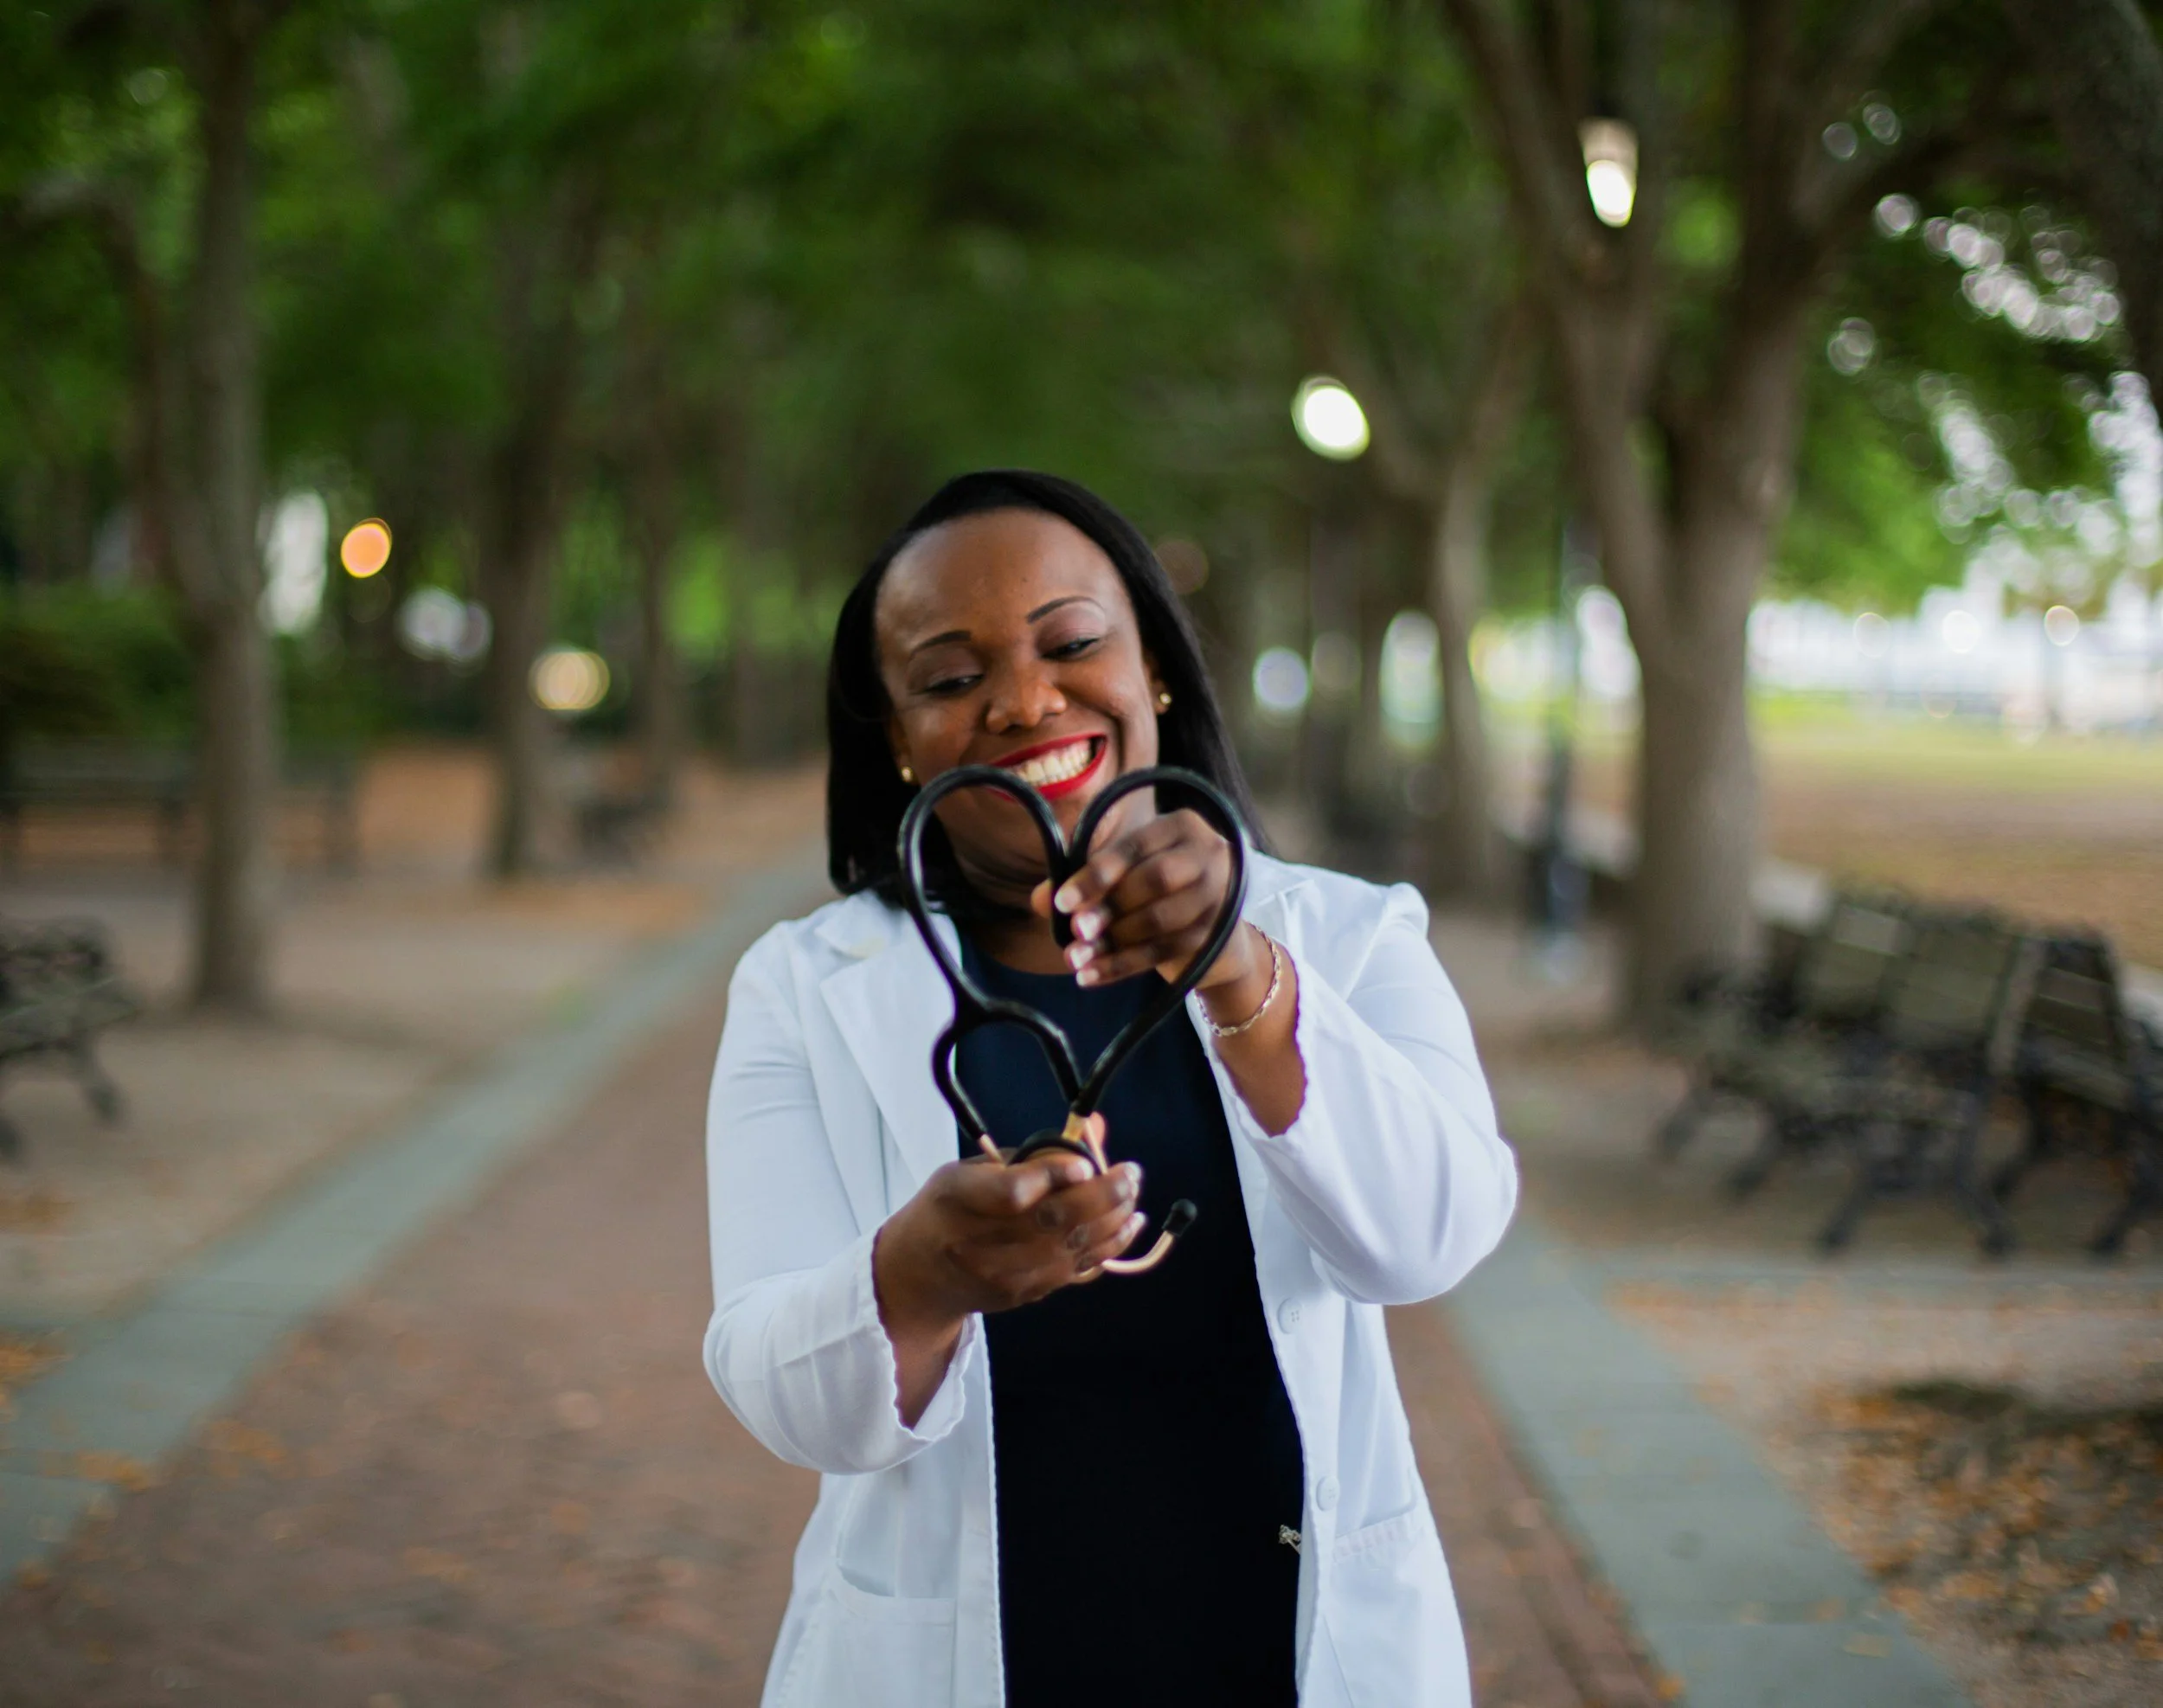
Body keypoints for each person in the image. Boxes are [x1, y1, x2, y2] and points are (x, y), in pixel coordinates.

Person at [703, 470, 1517, 1708]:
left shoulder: (1348, 938)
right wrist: (917, 1276)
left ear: (1158, 671)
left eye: (1072, 642)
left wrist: (1244, 972)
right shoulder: (802, 988)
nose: (1024, 700)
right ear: (896, 736)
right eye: (949, 676)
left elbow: (1431, 1238)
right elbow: (781, 1386)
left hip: (1292, 1655)